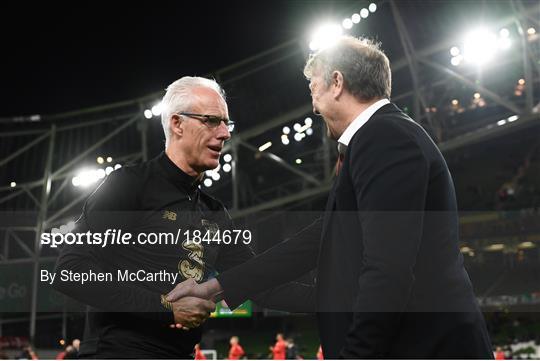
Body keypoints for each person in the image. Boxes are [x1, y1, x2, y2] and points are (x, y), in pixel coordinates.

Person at [166, 37, 493, 358]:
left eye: (313, 87)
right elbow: (315, 242)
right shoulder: (378, 140)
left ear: (337, 82)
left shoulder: (385, 138)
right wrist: (214, 287)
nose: (313, 104)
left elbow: (388, 270)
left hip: (424, 348)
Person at [54, 76, 310, 359]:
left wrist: (347, 295)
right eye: (212, 121)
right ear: (177, 124)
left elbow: (259, 282)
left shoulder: (214, 213)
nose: (225, 133)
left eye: (227, 123)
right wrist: (165, 307)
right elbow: (70, 270)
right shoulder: (129, 184)